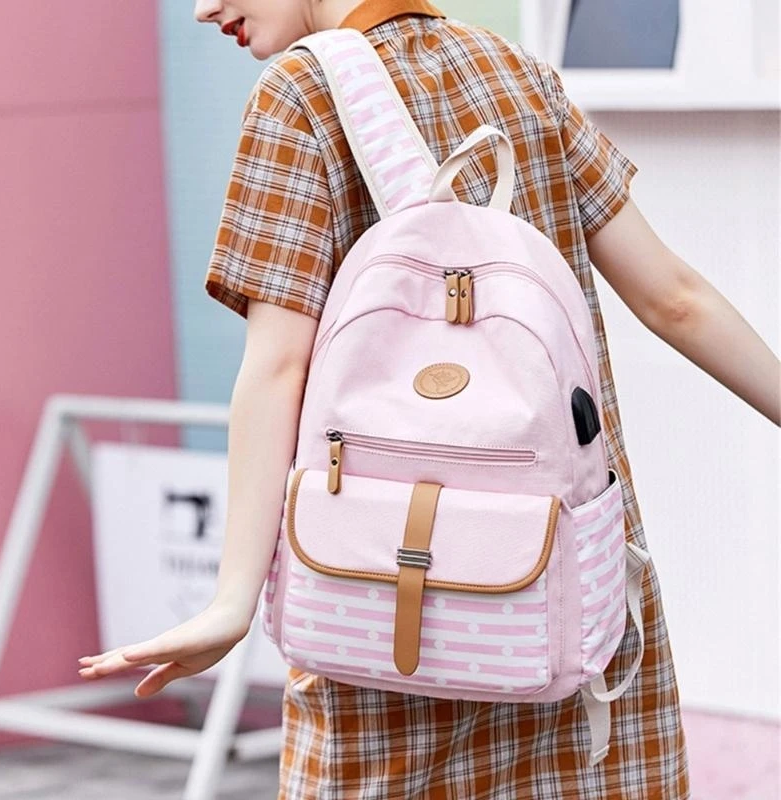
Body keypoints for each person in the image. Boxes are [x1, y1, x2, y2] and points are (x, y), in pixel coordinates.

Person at [78, 1, 781, 797]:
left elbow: (277, 366)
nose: (204, 9)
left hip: (392, 617)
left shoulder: (298, 97)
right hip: (571, 605)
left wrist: (233, 601)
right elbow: (674, 300)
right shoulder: (518, 75)